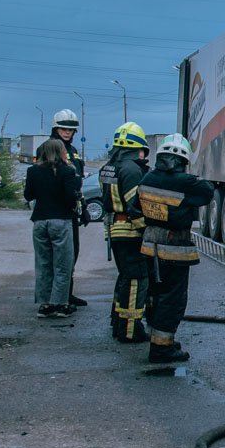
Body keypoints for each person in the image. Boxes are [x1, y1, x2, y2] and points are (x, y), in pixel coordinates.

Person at [137, 133, 215, 363]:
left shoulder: (146, 179)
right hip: (174, 250)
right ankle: (161, 349)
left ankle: (159, 340)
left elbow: (135, 206)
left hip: (150, 247)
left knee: (155, 295)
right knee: (173, 299)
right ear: (183, 159)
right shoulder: (186, 183)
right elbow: (207, 192)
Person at [100, 122, 152, 343]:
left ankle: (118, 321)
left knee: (124, 277)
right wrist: (146, 230)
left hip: (115, 230)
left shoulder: (110, 166)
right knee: (136, 279)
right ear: (137, 147)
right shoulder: (131, 169)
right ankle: (130, 330)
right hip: (130, 232)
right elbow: (134, 205)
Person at [24, 139, 80, 319]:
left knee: (43, 263)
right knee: (63, 264)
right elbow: (70, 197)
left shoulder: (33, 171)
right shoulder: (67, 170)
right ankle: (60, 304)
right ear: (60, 151)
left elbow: (28, 195)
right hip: (61, 221)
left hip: (40, 221)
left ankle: (44, 304)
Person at [50, 109, 91, 308]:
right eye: (63, 129)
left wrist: (82, 205)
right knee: (58, 256)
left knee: (72, 253)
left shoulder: (72, 150)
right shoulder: (50, 149)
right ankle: (56, 297)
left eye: (70, 129)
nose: (67, 132)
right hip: (57, 208)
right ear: (56, 128)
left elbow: (77, 180)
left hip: (71, 208)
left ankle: (67, 292)